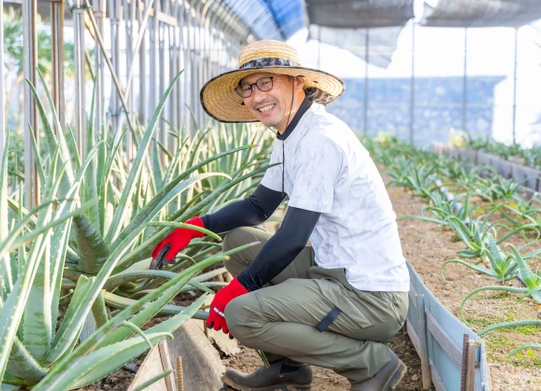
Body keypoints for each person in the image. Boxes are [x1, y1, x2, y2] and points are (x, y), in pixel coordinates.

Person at [151, 40, 410, 391]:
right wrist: (197, 227)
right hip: (334, 269)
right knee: (238, 242)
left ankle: (372, 365)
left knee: (243, 315)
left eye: (266, 82)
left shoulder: (321, 140)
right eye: (248, 86)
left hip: (369, 297)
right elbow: (258, 208)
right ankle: (289, 368)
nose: (256, 96)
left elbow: (291, 238)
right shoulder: (289, 135)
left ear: (298, 82)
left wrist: (237, 289)